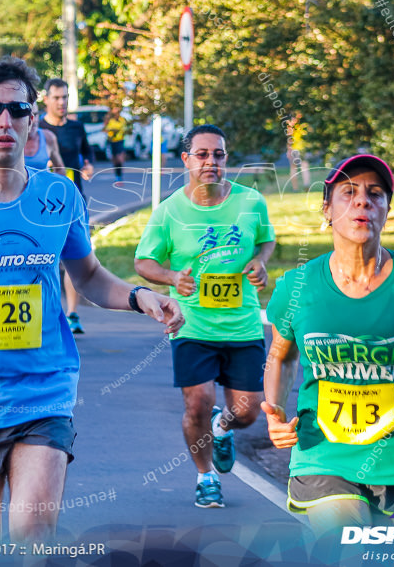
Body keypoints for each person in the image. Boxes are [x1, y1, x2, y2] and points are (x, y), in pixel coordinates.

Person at [0, 56, 184, 547]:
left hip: (44, 390)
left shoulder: (59, 196)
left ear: (32, 120)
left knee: (33, 538)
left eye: (17, 110)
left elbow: (87, 276)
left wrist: (139, 295)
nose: (5, 121)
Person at [262, 154, 394, 540]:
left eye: (375, 194)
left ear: (387, 210)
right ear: (327, 209)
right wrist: (275, 409)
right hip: (324, 453)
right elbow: (281, 354)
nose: (363, 201)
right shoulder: (297, 286)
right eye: (349, 192)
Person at [134, 124, 275, 509]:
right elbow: (143, 261)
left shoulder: (251, 202)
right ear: (186, 160)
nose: (211, 161)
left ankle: (222, 426)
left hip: (242, 323)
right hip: (192, 323)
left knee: (246, 413)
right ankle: (205, 476)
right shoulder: (170, 211)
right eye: (202, 154)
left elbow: (266, 240)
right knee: (196, 403)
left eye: (218, 154)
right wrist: (170, 277)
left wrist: (260, 264)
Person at [38, 78, 94, 335]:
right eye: (57, 98)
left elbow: (87, 153)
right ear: (46, 99)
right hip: (43, 204)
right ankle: (48, 313)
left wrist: (87, 166)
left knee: (75, 256)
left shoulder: (76, 127)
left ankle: (72, 313)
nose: (62, 103)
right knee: (44, 259)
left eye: (65, 97)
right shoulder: (37, 128)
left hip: (73, 201)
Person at [102, 107, 128, 182]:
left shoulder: (122, 120)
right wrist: (111, 131)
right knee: (115, 159)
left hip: (120, 141)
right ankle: (117, 175)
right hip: (112, 141)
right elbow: (104, 129)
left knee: (120, 158)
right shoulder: (110, 120)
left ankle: (120, 174)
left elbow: (126, 129)